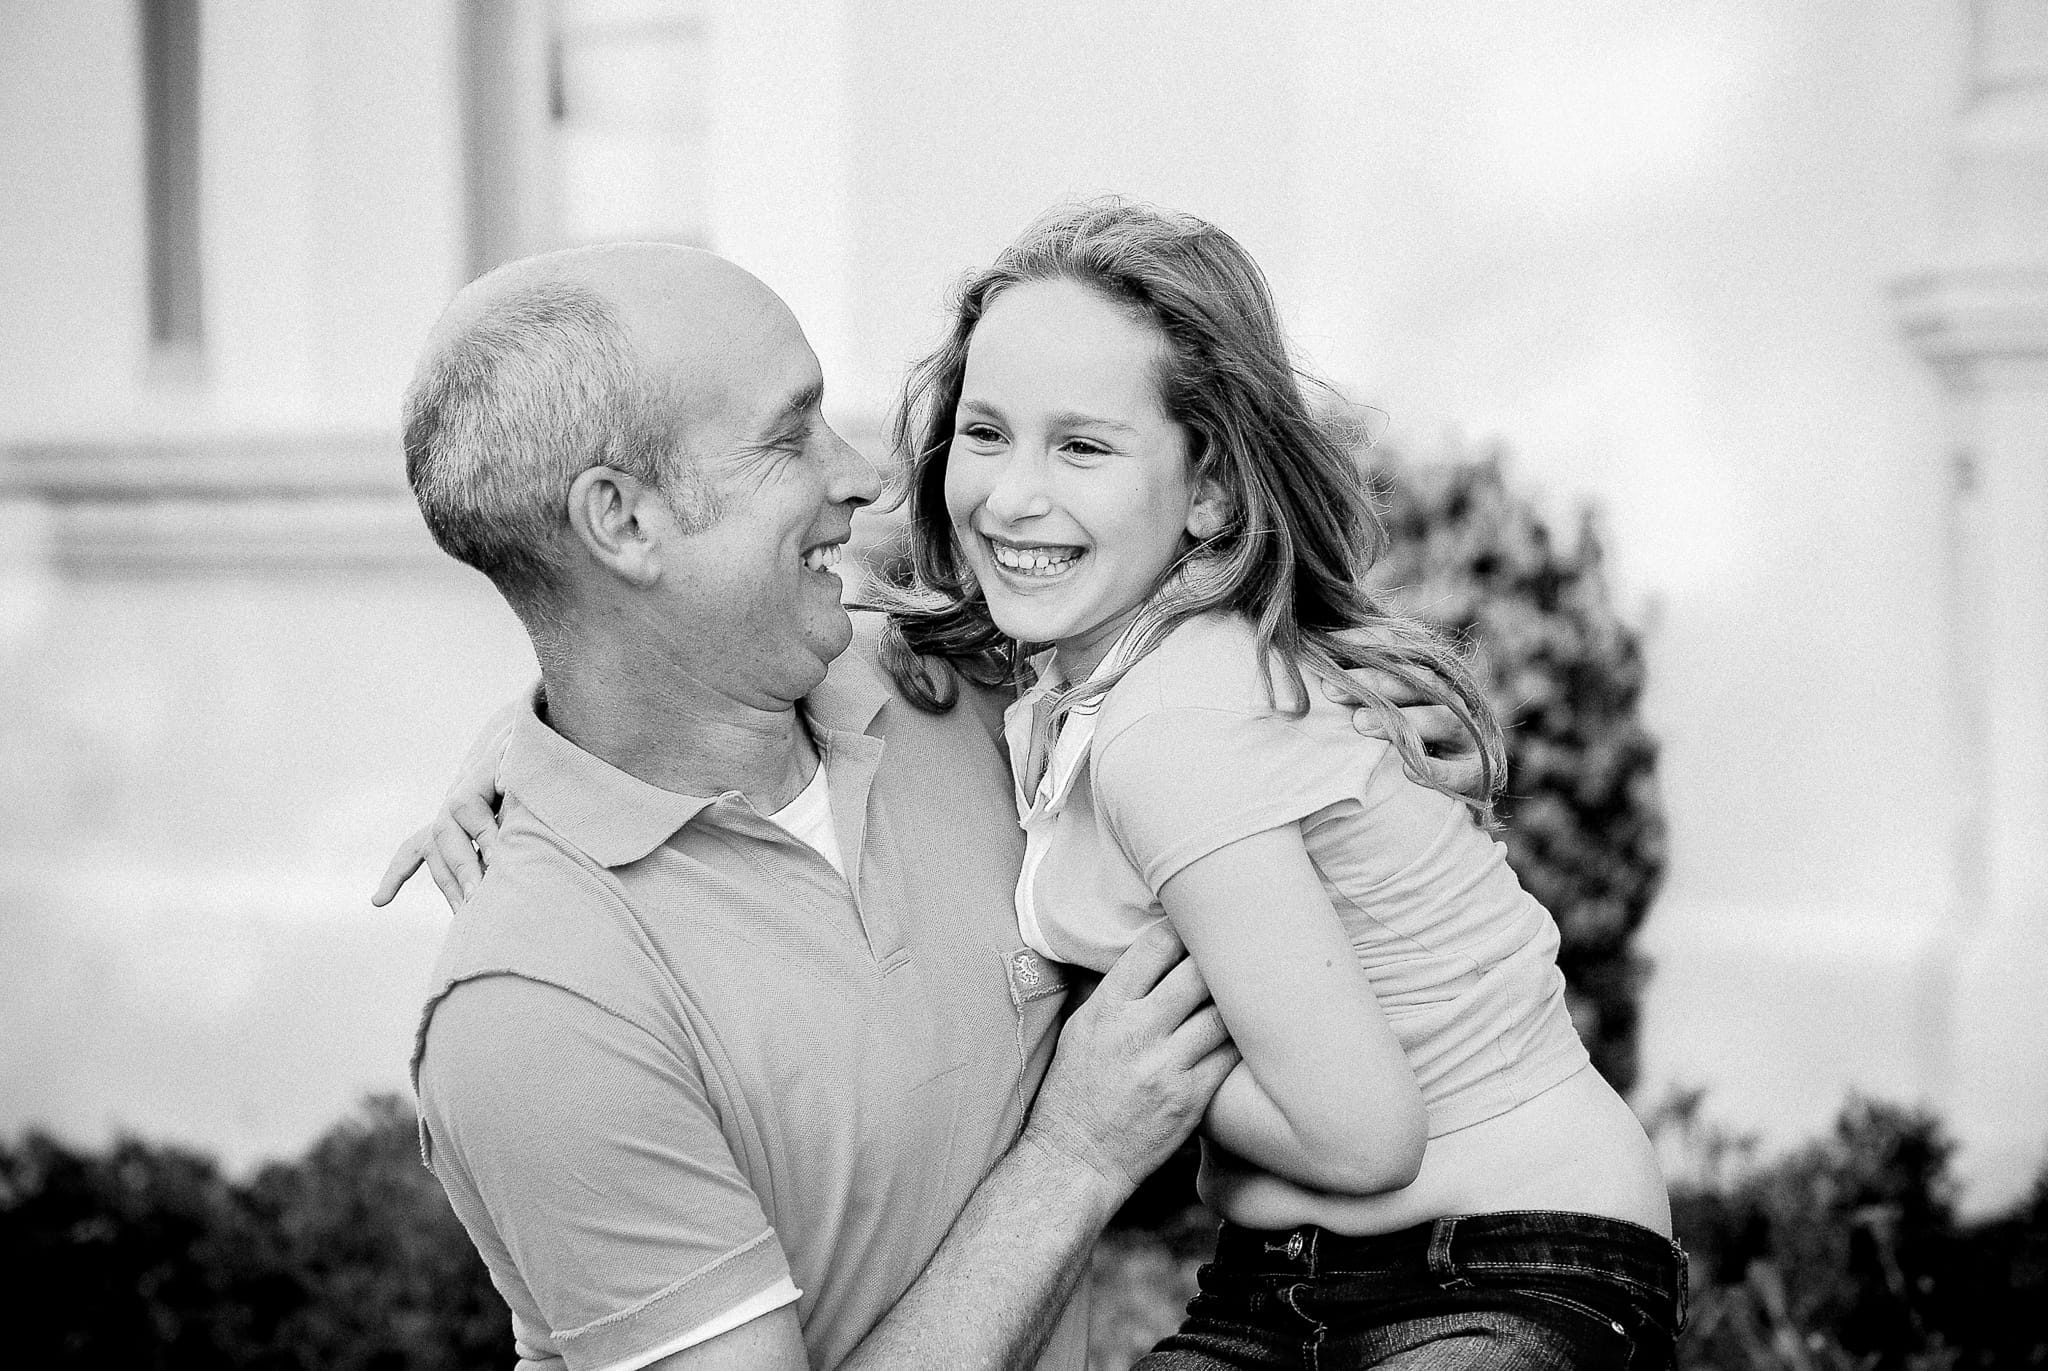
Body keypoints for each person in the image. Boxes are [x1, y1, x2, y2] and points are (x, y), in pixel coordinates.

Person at [380, 239, 1480, 1371]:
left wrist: (1364, 740)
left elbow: (1151, 547)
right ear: (621, 522)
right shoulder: (538, 1006)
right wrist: (1073, 1154)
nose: (860, 473)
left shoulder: (962, 695)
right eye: (786, 433)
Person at [871, 198, 1686, 1369]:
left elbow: (1360, 1137)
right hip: (1275, 1289)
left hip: (1512, 1263)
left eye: (1083, 446)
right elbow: (820, 654)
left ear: (1206, 490)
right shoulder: (1074, 677)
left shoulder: (1173, 723)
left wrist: (1082, 1084)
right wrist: (535, 757)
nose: (1008, 495)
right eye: (985, 433)